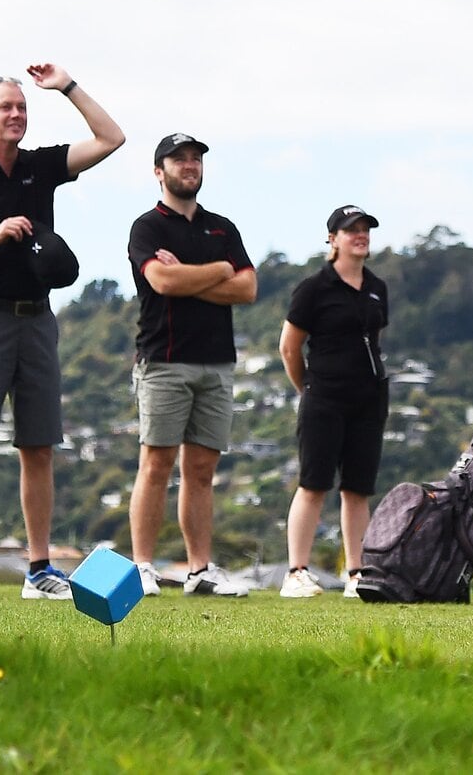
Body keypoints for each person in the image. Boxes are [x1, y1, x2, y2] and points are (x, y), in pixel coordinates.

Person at [0, 66, 125, 600]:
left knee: (39, 445)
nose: (16, 114)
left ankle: (38, 570)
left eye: (22, 107)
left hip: (37, 318)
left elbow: (112, 138)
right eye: (5, 107)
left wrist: (68, 87)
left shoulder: (39, 168)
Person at [125, 133, 258, 598]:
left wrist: (190, 276)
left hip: (217, 363)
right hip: (164, 360)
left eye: (195, 159)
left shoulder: (222, 228)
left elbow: (246, 289)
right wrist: (217, 270)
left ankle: (200, 570)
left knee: (202, 470)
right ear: (159, 171)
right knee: (156, 463)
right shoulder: (148, 227)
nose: (189, 165)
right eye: (178, 159)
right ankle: (142, 566)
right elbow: (161, 280)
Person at [278, 205, 389, 599]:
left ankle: (356, 573)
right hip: (323, 394)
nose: (360, 236)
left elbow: (375, 340)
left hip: (369, 397)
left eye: (365, 230)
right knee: (314, 483)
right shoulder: (314, 288)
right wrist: (305, 388)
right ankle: (296, 572)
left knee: (358, 488)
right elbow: (289, 348)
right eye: (351, 230)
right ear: (333, 239)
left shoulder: (377, 287)